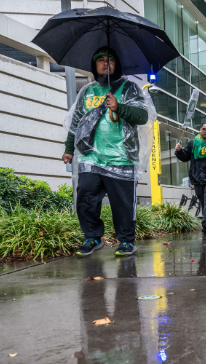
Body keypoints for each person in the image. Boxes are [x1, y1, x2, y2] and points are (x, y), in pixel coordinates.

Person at [63, 46, 150, 257]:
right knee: (85, 196)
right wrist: (69, 148)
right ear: (95, 65)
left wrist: (119, 107)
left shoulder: (129, 89)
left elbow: (142, 116)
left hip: (122, 158)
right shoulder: (87, 91)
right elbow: (76, 122)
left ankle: (127, 241)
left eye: (109, 60)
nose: (104, 64)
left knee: (122, 204)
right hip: (90, 157)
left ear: (116, 65)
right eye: (100, 60)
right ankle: (92, 237)